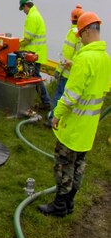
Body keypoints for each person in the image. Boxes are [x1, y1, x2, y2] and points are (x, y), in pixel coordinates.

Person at [40, 12, 110, 217]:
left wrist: (57, 114)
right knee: (79, 164)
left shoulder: (85, 58)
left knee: (63, 164)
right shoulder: (105, 58)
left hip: (73, 125)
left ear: (87, 31)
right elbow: (100, 89)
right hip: (89, 126)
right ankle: (70, 202)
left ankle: (59, 205)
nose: (80, 38)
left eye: (80, 35)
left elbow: (71, 95)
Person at [49, 5, 84, 120]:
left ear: (71, 19)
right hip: (76, 72)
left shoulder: (72, 33)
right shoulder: (83, 33)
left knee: (59, 96)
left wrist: (58, 70)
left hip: (66, 73)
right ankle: (62, 120)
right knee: (69, 99)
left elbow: (66, 56)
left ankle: (52, 119)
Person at [18, 0, 51, 108]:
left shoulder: (32, 16)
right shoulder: (37, 14)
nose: (24, 12)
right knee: (34, 77)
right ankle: (34, 101)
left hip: (33, 54)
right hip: (37, 52)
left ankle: (46, 102)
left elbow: (28, 38)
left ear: (26, 6)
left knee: (35, 77)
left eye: (23, 9)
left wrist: (16, 45)